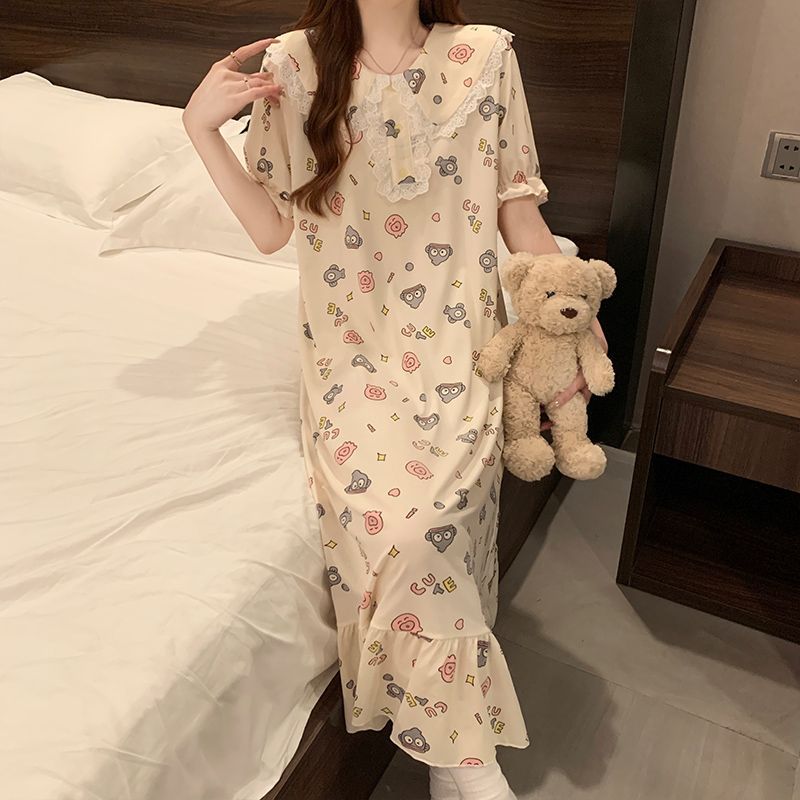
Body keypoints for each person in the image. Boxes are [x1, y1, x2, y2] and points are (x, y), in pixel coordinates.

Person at [183, 2, 607, 797]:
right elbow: (273, 230)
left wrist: (573, 313)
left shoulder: (486, 56)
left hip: (457, 342)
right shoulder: (294, 66)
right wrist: (199, 129)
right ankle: (464, 761)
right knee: (400, 527)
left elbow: (518, 212)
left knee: (431, 523)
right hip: (349, 354)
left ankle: (452, 757)